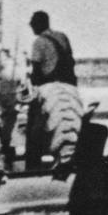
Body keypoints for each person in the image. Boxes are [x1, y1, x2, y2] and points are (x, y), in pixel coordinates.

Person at [26, 11, 79, 170]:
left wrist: (33, 84)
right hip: (68, 84)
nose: (31, 27)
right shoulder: (62, 37)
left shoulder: (39, 42)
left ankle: (33, 158)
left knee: (33, 120)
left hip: (48, 84)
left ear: (38, 24)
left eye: (33, 24)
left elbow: (36, 69)